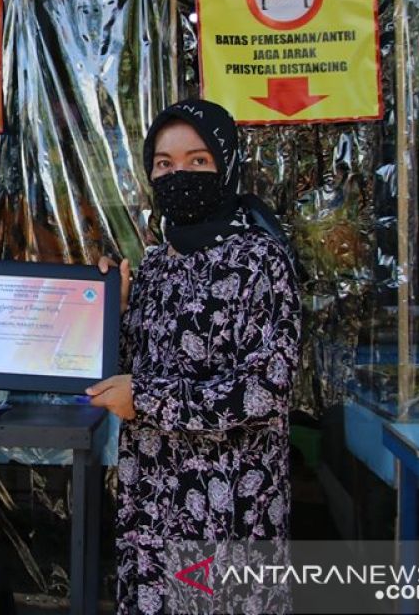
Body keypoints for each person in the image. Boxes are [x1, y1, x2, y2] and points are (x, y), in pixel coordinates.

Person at [87, 99, 301, 613]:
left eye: (198, 160)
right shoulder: (156, 265)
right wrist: (108, 312)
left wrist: (150, 399)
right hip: (155, 505)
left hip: (227, 510)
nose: (178, 175)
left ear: (225, 168)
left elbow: (268, 388)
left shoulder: (261, 260)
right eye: (164, 164)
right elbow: (130, 372)